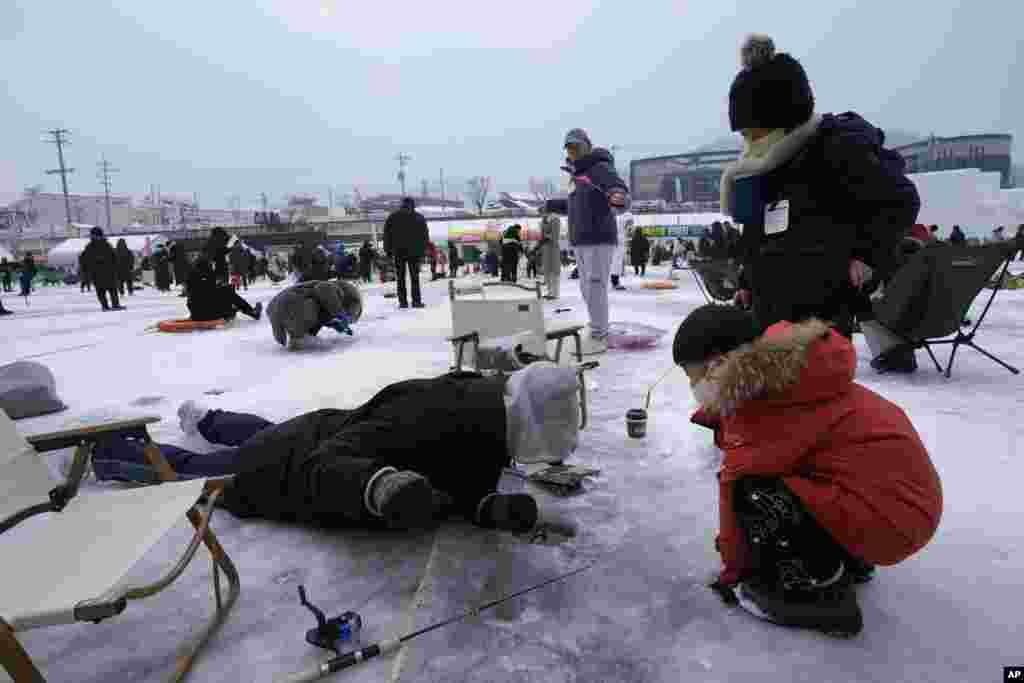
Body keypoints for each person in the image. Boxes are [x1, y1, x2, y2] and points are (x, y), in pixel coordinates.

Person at [674, 304, 942, 637]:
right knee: (797, 478)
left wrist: (733, 572)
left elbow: (736, 484)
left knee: (757, 491)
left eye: (692, 376)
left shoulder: (764, 407)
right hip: (901, 504)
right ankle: (849, 559)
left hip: (890, 521)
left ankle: (823, 600)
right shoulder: (791, 371)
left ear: (717, 367)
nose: (692, 387)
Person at [87, 363, 580, 538]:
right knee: (199, 471)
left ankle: (209, 418)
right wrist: (380, 485)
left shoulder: (483, 418)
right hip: (284, 471)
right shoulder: (432, 414)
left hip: (309, 430)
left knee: (267, 432)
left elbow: (455, 478)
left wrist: (487, 506)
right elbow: (325, 462)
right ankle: (106, 451)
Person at [719, 34, 920, 340]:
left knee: (818, 384)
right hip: (768, 309)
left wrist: (868, 257)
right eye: (743, 134)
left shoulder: (836, 149)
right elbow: (758, 230)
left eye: (754, 132)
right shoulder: (767, 164)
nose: (748, 144)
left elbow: (899, 200)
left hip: (822, 313)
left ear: (783, 120)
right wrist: (747, 280)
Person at [544, 128, 630, 356]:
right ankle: (596, 327)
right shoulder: (577, 174)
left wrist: (618, 194)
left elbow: (614, 185)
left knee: (595, 285)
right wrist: (551, 205)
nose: (573, 151)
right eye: (569, 148)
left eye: (577, 146)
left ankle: (600, 332)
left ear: (587, 146)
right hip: (581, 239)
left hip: (599, 236)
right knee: (586, 287)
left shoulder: (597, 167)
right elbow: (574, 205)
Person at [268, 279, 362, 349]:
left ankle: (300, 338)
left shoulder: (325, 295)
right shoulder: (333, 287)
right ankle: (297, 338)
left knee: (315, 311)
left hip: (278, 306)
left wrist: (331, 322)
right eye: (349, 315)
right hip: (290, 304)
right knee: (311, 307)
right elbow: (323, 290)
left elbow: (323, 310)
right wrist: (340, 314)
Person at [383, 197, 428, 309]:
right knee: (414, 278)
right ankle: (416, 301)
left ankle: (403, 302)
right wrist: (423, 252)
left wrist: (388, 251)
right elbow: (424, 237)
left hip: (399, 252)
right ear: (413, 205)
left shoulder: (393, 217)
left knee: (400, 278)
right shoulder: (419, 218)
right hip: (414, 253)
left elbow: (387, 235)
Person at [186, 257, 262, 322]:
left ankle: (241, 310)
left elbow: (193, 299)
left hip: (196, 315)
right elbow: (211, 295)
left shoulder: (191, 278)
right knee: (229, 293)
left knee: (223, 293)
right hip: (211, 315)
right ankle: (252, 312)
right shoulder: (210, 277)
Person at [80, 228, 124, 311]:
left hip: (102, 272)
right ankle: (109, 306)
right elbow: (84, 260)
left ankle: (110, 305)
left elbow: (83, 260)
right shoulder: (103, 245)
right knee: (105, 290)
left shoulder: (93, 246)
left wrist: (86, 270)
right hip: (102, 272)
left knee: (108, 290)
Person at [538, 207, 562, 300]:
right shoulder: (544, 220)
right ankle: (549, 292)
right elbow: (543, 234)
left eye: (542, 212)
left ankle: (554, 293)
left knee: (554, 271)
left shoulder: (555, 219)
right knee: (547, 271)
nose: (541, 214)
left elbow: (555, 236)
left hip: (553, 248)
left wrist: (547, 237)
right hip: (546, 248)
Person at [610, 216, 630, 291]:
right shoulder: (620, 219)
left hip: (616, 243)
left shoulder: (618, 219)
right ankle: (615, 282)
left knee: (616, 263)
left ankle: (615, 281)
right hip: (617, 243)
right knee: (616, 263)